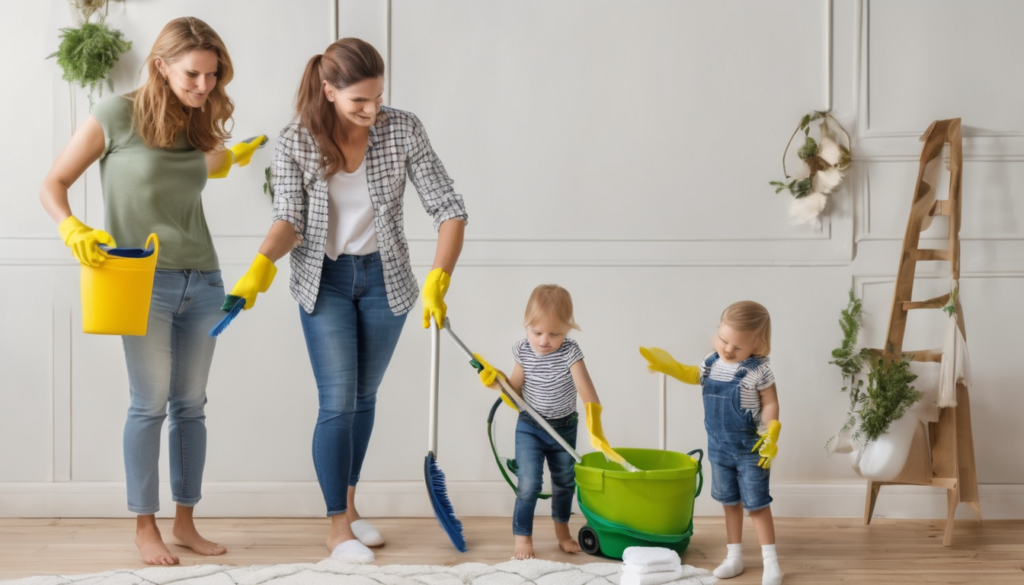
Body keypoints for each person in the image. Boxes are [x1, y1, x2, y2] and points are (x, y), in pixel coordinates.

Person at [223, 38, 467, 563]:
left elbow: (448, 206)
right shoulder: (296, 140)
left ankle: (350, 509)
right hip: (324, 280)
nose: (372, 111)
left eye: (378, 97)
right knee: (337, 400)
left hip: (387, 280)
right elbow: (288, 218)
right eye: (359, 101)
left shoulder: (402, 128)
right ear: (329, 90)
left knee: (363, 398)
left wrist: (438, 277)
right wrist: (260, 266)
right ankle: (337, 528)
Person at [39, 17, 263, 565]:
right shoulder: (114, 114)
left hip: (204, 278)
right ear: (162, 65)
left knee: (192, 406)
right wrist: (72, 227)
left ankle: (185, 521)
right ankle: (145, 525)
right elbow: (53, 183)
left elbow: (189, 168)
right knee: (149, 406)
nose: (205, 86)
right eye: (194, 74)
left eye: (213, 75)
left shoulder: (197, 119)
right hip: (141, 282)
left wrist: (228, 157)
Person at [640, 300, 783, 585]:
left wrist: (772, 431)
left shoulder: (758, 371)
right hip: (718, 447)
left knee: (756, 505)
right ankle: (734, 556)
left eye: (737, 346)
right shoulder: (712, 361)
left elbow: (770, 403)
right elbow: (695, 375)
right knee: (729, 502)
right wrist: (670, 367)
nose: (727, 349)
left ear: (758, 344)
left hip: (750, 449)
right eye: (723, 339)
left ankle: (771, 562)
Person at [474, 284, 602, 560]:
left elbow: (588, 393)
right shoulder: (523, 350)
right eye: (537, 332)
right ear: (526, 326)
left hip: (564, 428)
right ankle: (523, 536)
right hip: (530, 427)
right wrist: (498, 384)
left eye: (554, 333)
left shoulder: (570, 352)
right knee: (529, 483)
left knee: (565, 482)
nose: (544, 340)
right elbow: (514, 393)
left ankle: (562, 533)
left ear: (568, 330)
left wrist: (596, 426)